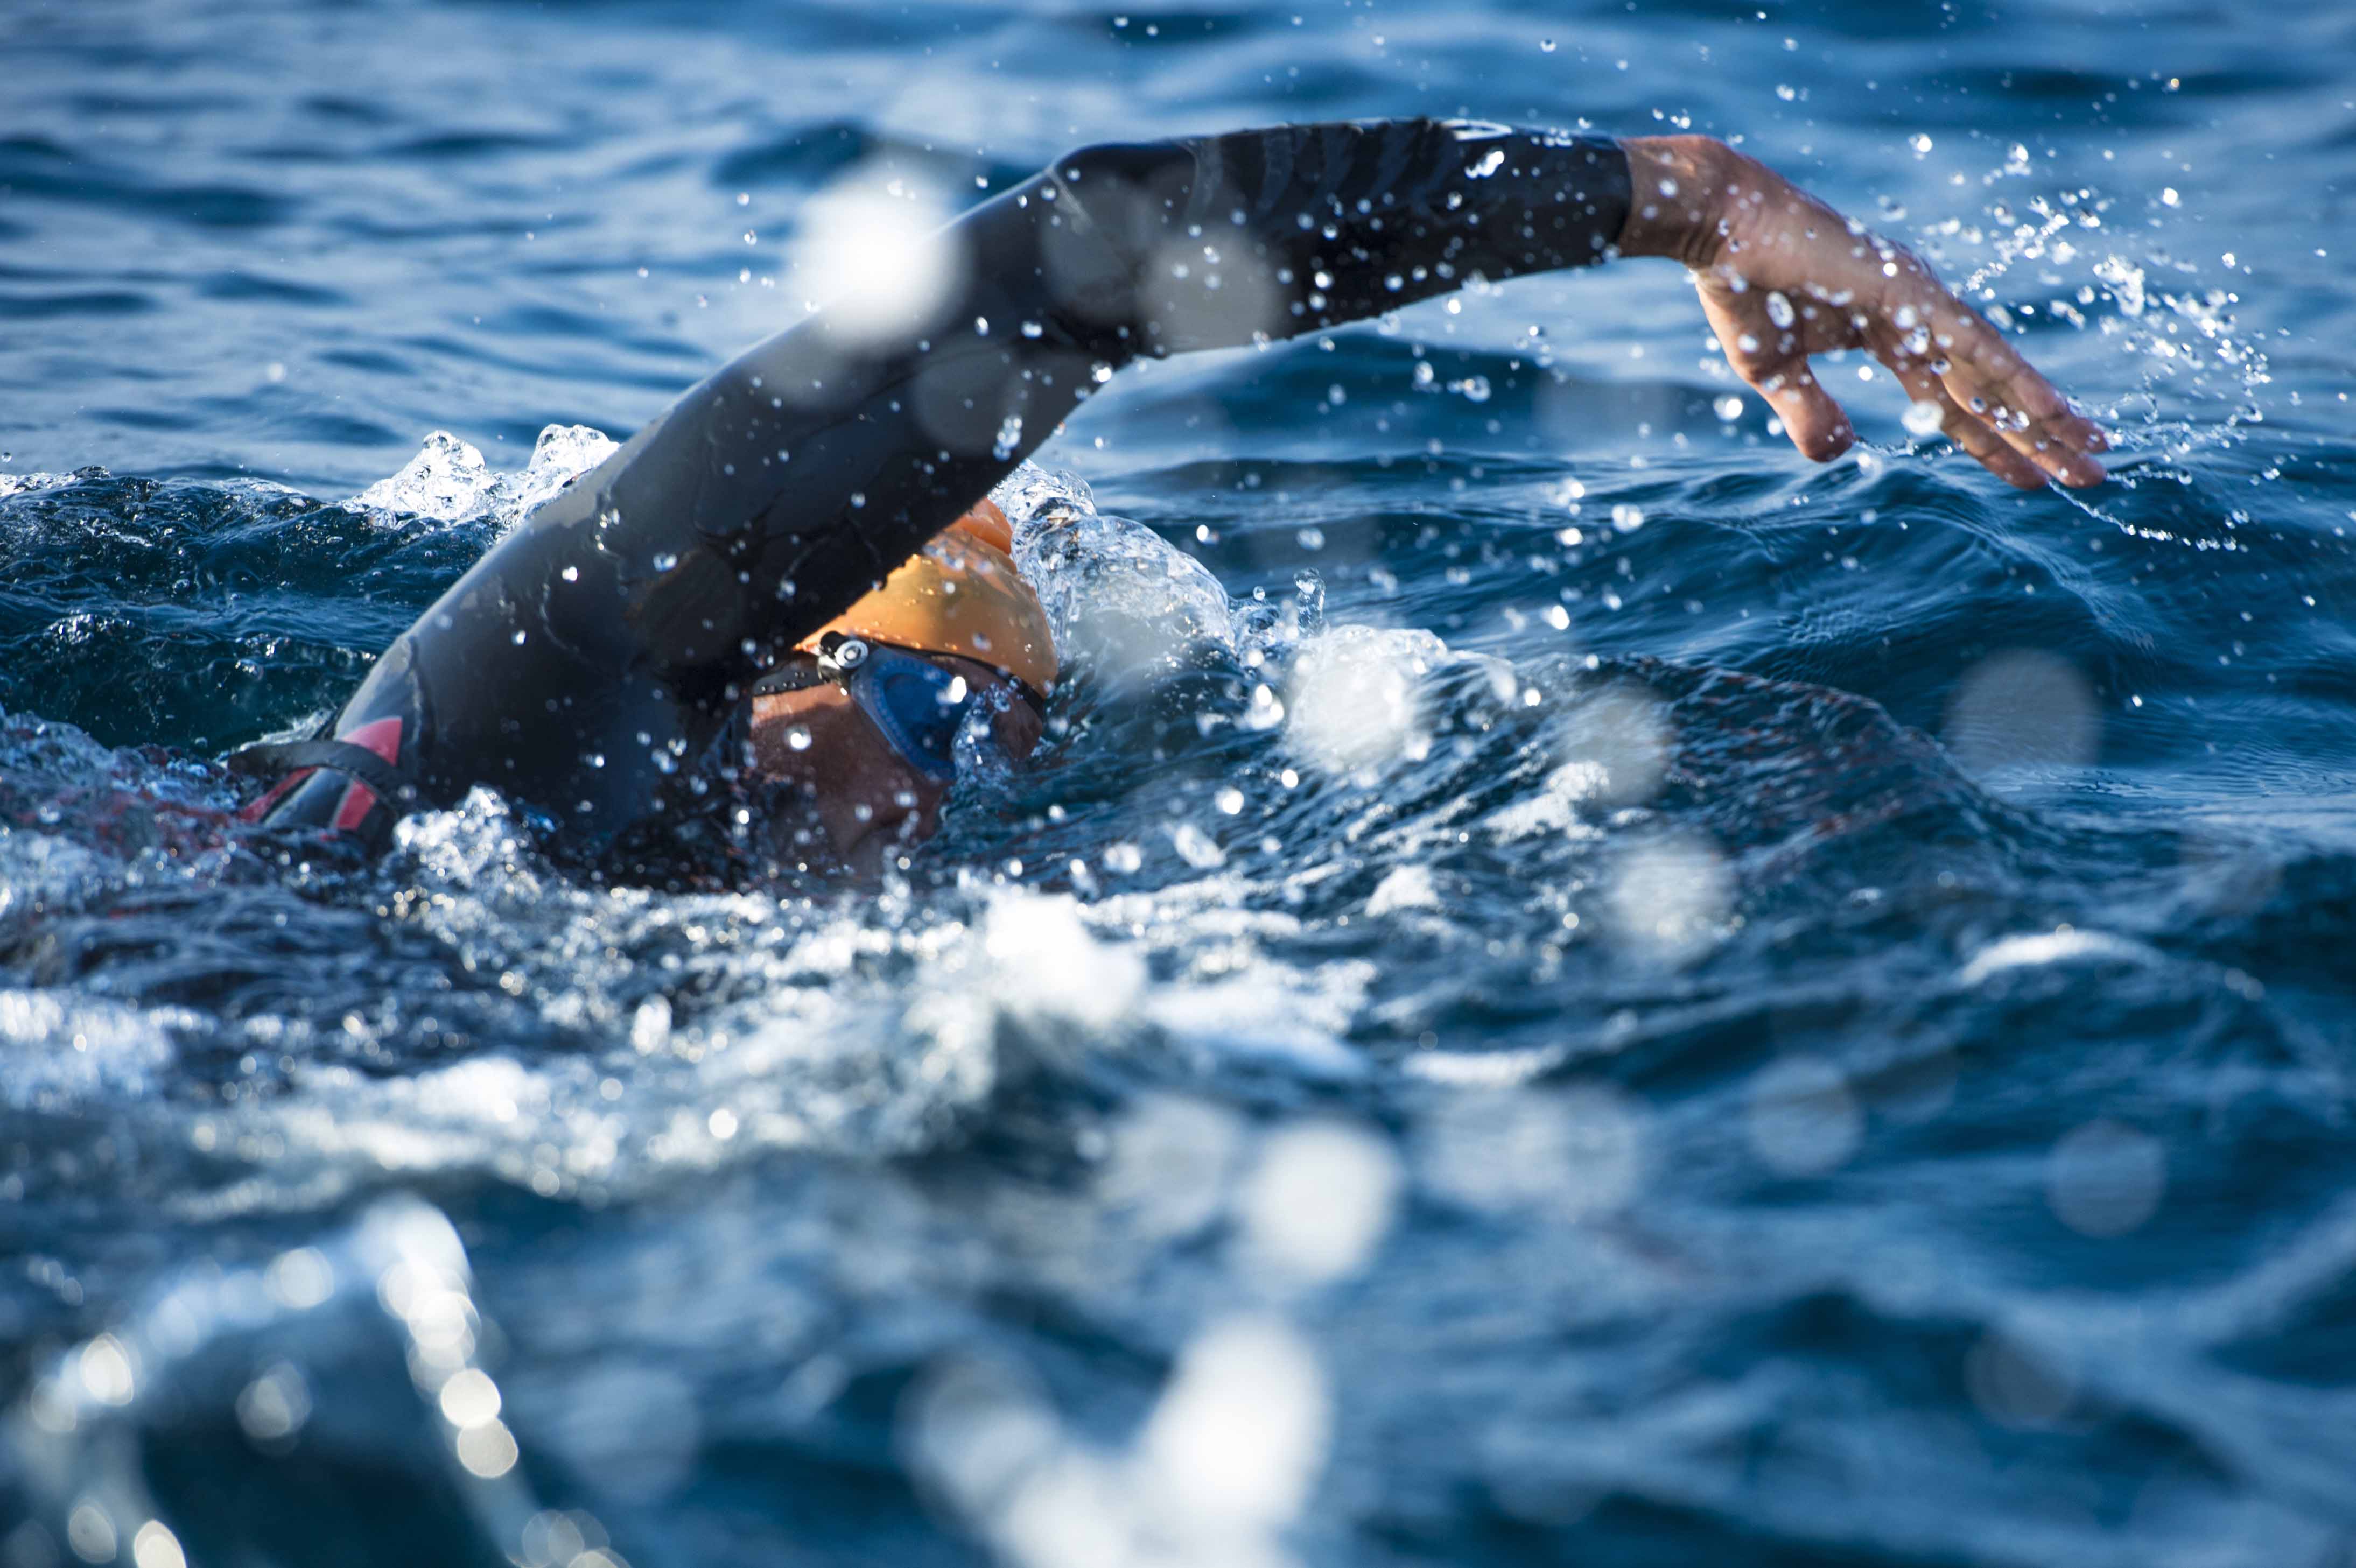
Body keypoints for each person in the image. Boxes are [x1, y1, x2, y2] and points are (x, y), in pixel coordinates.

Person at [232, 121, 2106, 878]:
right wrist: (1671, 195)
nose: (926, 801)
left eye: (995, 749)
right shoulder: (579, 654)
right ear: (780, 645)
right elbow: (1083, 261)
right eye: (925, 703)